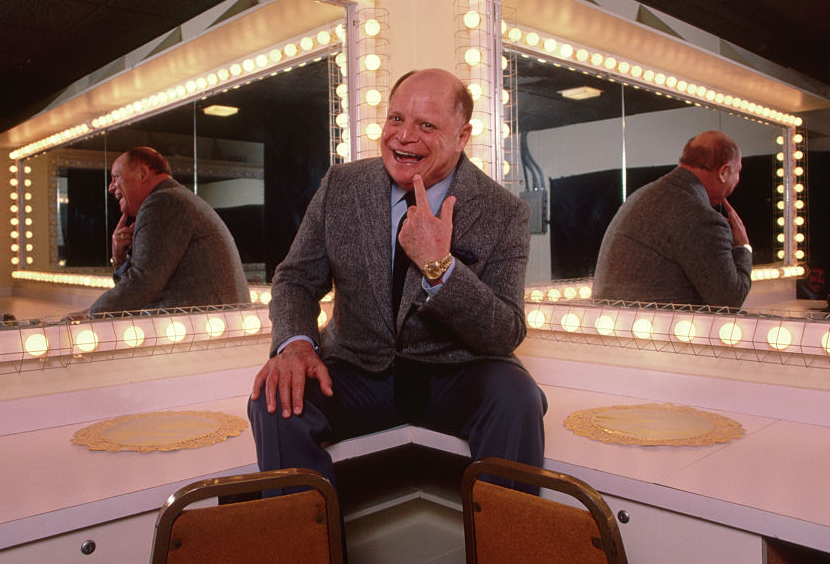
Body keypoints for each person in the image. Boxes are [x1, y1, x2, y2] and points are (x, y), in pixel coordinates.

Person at [248, 68, 546, 491]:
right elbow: (295, 278)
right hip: (356, 373)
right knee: (274, 398)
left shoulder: (504, 211)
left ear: (462, 137)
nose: (404, 136)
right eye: (396, 119)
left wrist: (439, 267)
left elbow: (505, 332)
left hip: (454, 376)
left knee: (517, 398)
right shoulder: (341, 186)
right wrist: (296, 344)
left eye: (426, 125)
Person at [593, 130, 752, 307]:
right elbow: (730, 300)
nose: (737, 180)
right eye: (737, 172)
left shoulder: (643, 195)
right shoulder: (700, 217)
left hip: (618, 325)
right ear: (723, 172)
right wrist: (742, 246)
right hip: (660, 331)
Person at [87, 147, 249, 315]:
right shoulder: (177, 197)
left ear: (142, 173)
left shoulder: (162, 201)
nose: (111, 187)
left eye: (115, 177)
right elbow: (144, 284)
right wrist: (120, 259)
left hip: (202, 329)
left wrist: (90, 315)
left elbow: (143, 283)